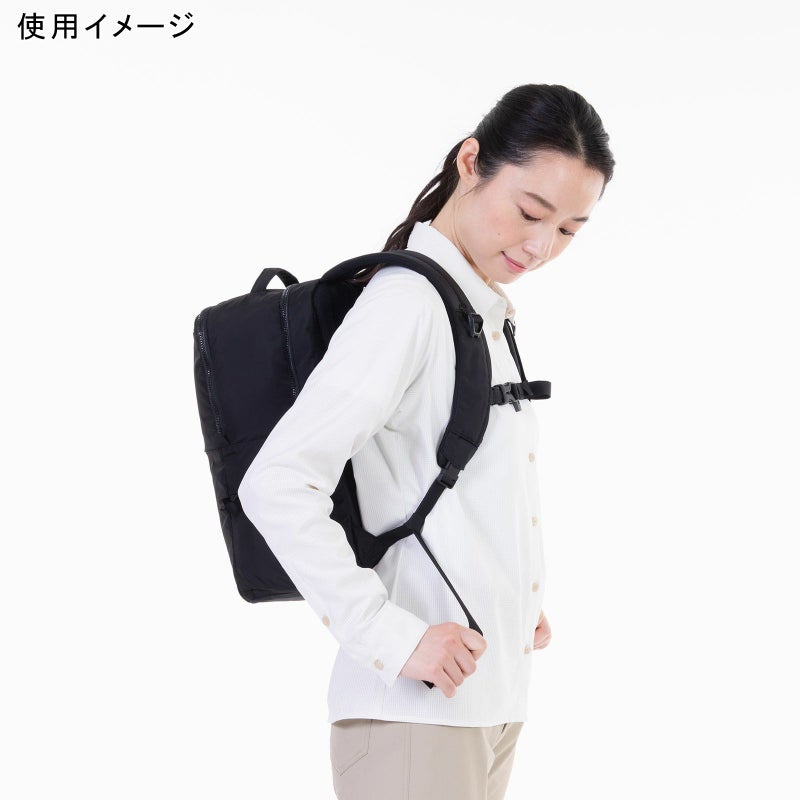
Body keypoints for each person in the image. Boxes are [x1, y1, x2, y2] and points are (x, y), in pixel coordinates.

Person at [237, 83, 615, 800]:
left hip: (482, 705)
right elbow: (277, 482)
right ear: (471, 162)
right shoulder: (408, 304)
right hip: (413, 716)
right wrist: (391, 636)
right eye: (530, 212)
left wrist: (511, 596)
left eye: (569, 229)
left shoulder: (475, 307)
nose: (540, 246)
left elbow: (449, 489)